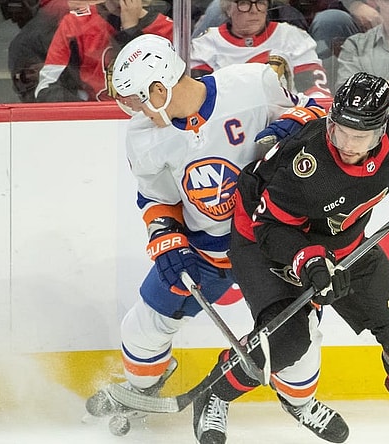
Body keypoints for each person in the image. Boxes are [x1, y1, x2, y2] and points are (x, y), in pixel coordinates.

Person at [188, 72, 389, 444]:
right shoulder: (306, 165)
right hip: (264, 237)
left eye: (359, 136)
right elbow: (271, 228)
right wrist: (309, 262)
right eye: (339, 129)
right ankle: (213, 392)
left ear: (384, 127)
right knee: (287, 341)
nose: (345, 143)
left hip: (343, 241)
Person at [85, 33, 344, 442]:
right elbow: (157, 199)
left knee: (299, 343)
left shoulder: (253, 84)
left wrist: (298, 122)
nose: (129, 109)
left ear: (159, 89)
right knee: (143, 326)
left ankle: (299, 402)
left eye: (134, 98)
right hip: (207, 251)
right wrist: (168, 239)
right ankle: (143, 388)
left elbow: (320, 113)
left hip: (270, 244)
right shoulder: (143, 135)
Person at [35, 0, 174, 102]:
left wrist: (130, 31)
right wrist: (88, 116)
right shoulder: (75, 24)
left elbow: (173, 97)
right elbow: (46, 88)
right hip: (93, 126)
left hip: (149, 123)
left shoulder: (168, 30)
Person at [190, 0, 331, 98]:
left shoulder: (291, 36)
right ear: (228, 9)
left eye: (260, 3)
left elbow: (316, 91)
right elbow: (198, 98)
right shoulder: (206, 43)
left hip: (288, 119)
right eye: (244, 3)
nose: (254, 11)